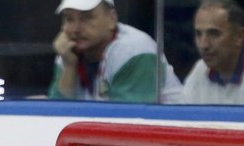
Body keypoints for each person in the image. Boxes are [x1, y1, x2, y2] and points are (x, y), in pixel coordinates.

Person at [48, 0, 182, 103]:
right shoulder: (67, 53)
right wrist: (69, 67)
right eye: (69, 19)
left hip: (179, 133)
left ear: (111, 19)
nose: (75, 29)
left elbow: (127, 122)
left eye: (86, 18)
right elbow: (55, 115)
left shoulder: (135, 50)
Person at [180, 0, 244, 105]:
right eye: (199, 34)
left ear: (239, 36)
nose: (204, 45)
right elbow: (184, 117)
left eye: (214, 34)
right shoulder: (201, 68)